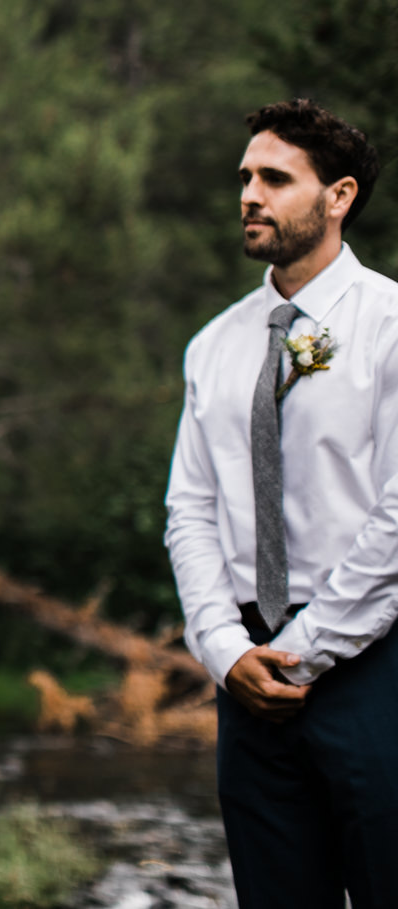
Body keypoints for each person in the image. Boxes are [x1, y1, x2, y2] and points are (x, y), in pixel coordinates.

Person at [164, 98, 395, 908]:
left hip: (373, 663)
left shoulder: (389, 326)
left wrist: (307, 645)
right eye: (244, 177)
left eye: (274, 178)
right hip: (248, 680)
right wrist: (227, 650)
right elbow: (190, 511)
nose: (249, 195)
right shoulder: (217, 343)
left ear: (339, 196)